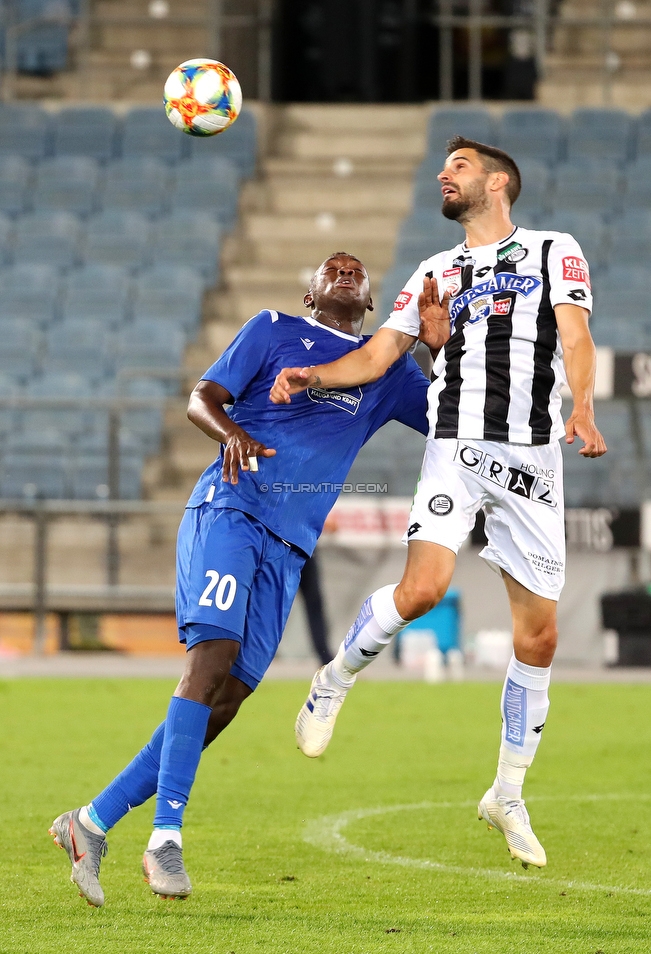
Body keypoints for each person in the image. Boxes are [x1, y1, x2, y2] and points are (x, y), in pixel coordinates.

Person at [48, 252, 430, 906]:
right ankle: (165, 839)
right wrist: (229, 433)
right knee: (212, 656)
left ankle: (89, 823)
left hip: (289, 548)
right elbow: (203, 397)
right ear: (309, 293)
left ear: (370, 302)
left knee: (227, 700)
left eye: (355, 269)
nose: (343, 269)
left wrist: (438, 342)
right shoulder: (272, 329)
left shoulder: (385, 368)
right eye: (329, 268)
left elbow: (450, 422)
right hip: (229, 508)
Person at [271, 138, 607, 869]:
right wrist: (313, 374)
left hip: (533, 457)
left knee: (538, 640)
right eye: (442, 166)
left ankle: (506, 795)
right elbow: (378, 355)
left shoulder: (555, 249)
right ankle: (333, 681)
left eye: (456, 166)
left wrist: (581, 408)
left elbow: (576, 337)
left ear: (496, 182)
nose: (441, 175)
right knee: (423, 591)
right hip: (455, 443)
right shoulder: (434, 271)